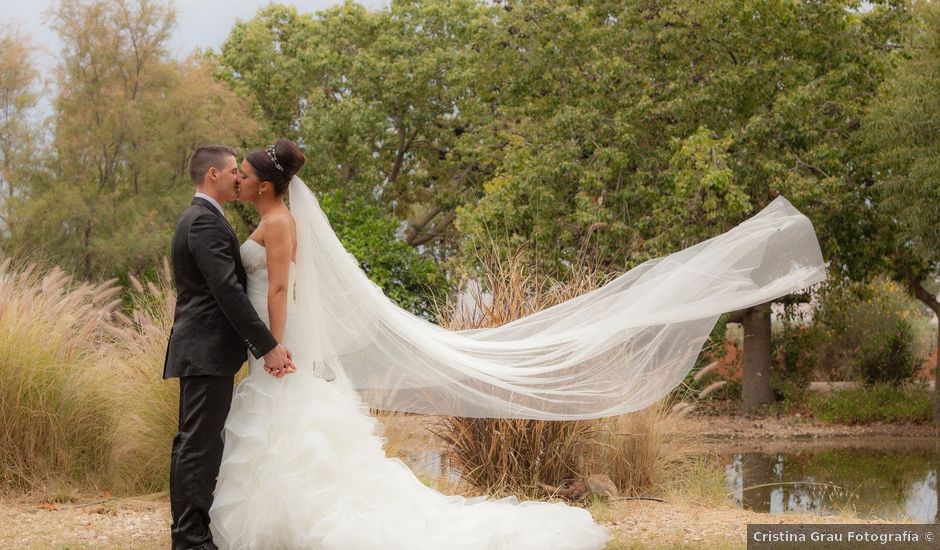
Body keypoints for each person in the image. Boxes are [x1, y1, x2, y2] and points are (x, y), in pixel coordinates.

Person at [207, 137, 825, 549]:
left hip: (279, 344)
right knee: (286, 431)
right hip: (275, 344)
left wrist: (272, 345)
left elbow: (282, 292)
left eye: (246, 175)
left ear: (264, 185)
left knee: (291, 430)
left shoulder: (280, 224)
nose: (239, 180)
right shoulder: (269, 218)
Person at [164, 145, 296, 550]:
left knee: (197, 444)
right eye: (233, 170)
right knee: (196, 446)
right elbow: (226, 291)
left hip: (206, 350)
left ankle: (193, 534)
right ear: (212, 175)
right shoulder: (203, 222)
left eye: (243, 172)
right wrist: (268, 345)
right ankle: (190, 540)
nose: (239, 177)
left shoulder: (206, 219)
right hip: (205, 349)